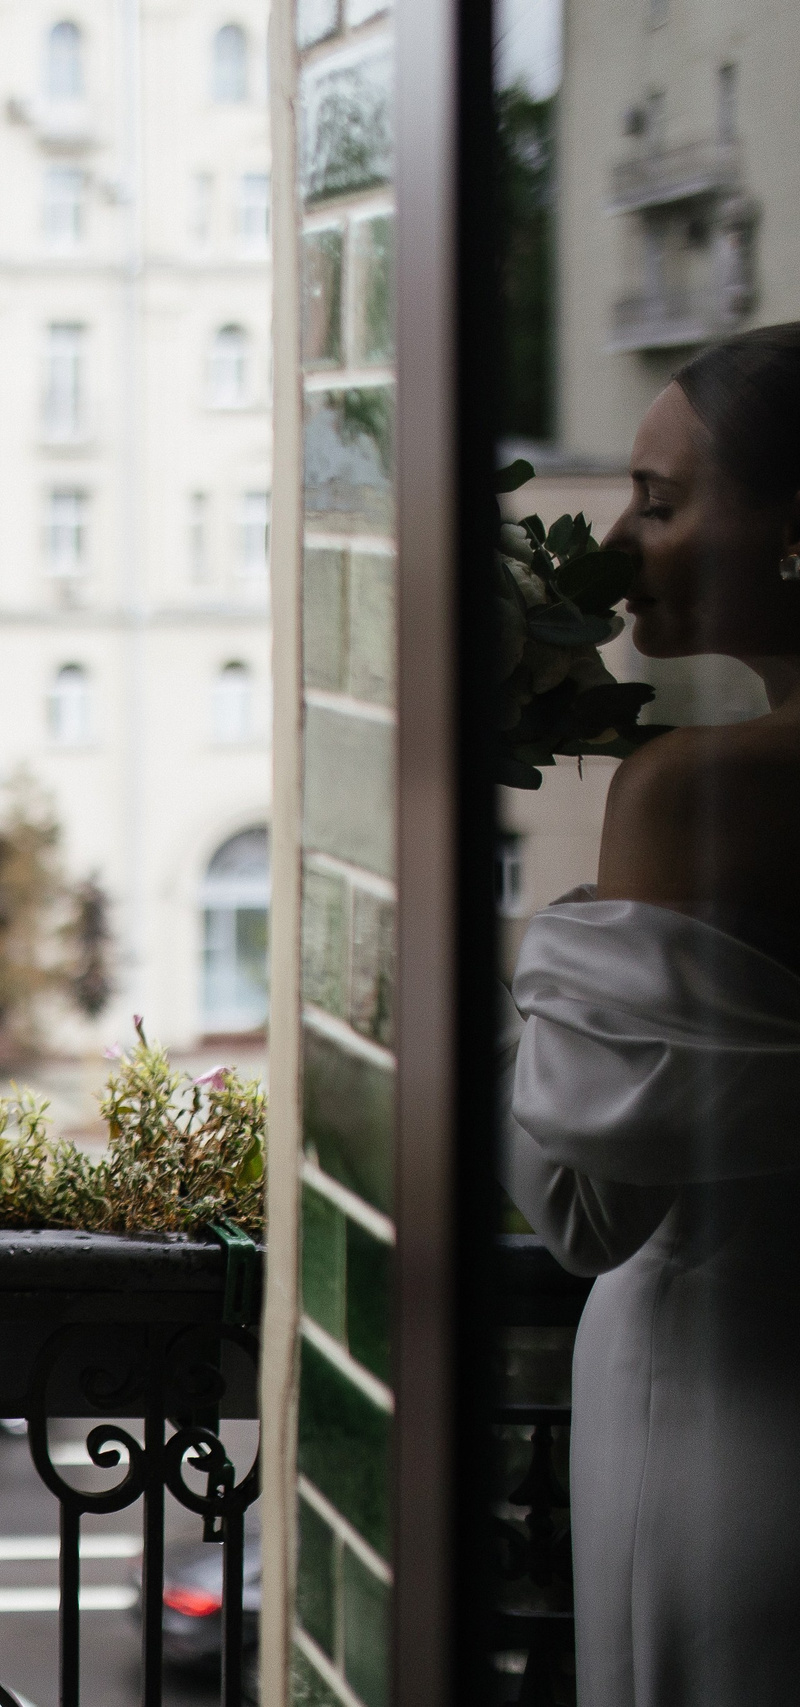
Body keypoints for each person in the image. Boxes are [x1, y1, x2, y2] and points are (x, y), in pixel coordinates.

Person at [502, 321, 800, 1706]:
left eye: (663, 501)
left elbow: (585, 1207)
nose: (617, 545)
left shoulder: (691, 792)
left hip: (731, 1417)